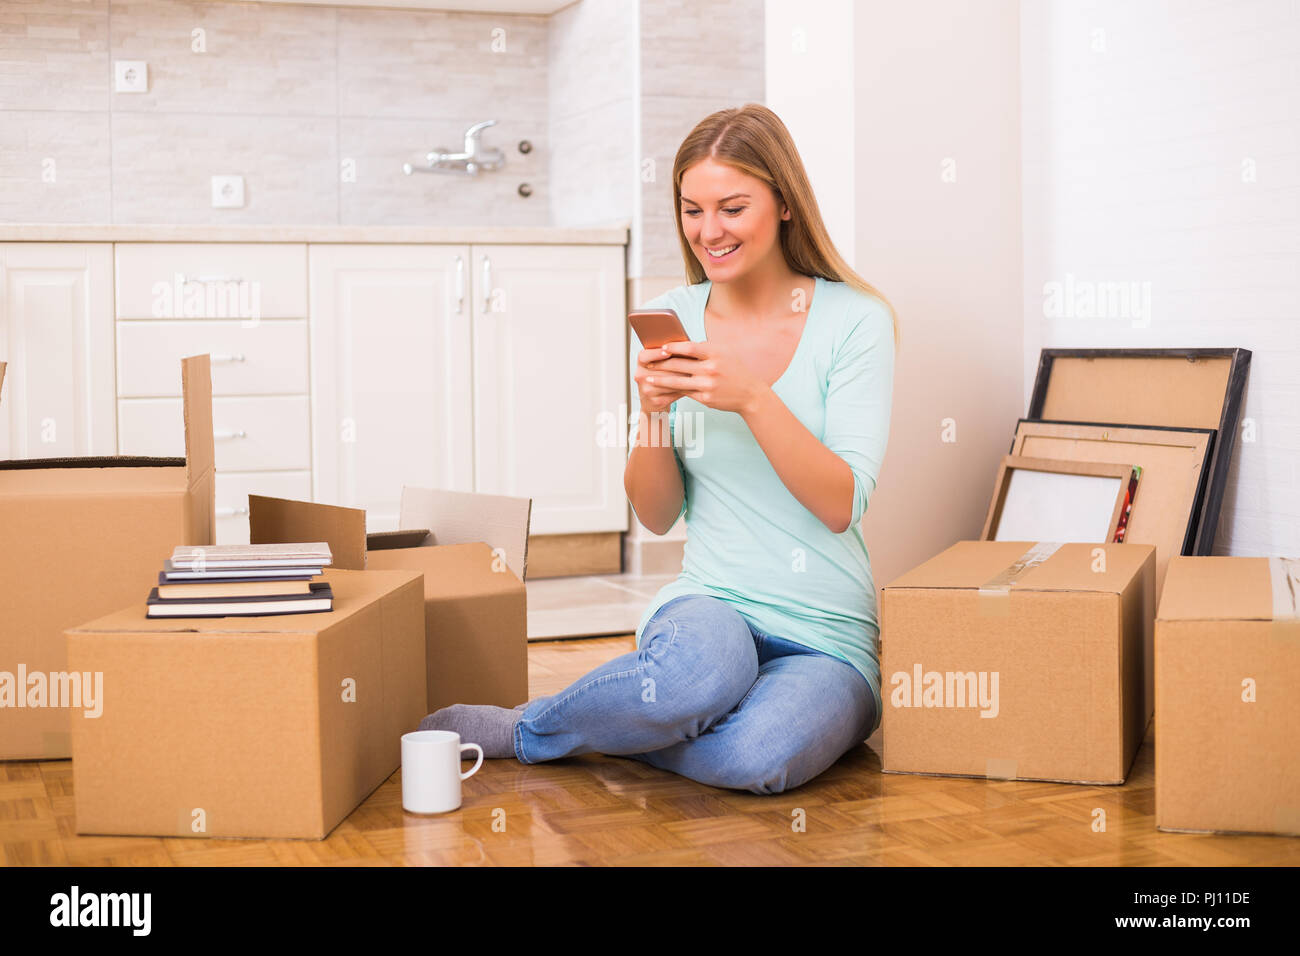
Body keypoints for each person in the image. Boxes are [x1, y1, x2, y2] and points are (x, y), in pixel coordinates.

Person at [419, 103, 899, 794]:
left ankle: (595, 730)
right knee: (694, 681)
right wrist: (652, 416)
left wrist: (753, 397)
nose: (709, 232)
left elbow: (841, 506)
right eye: (692, 210)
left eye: (732, 208)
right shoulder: (676, 315)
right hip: (713, 602)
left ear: (785, 204)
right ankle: (527, 731)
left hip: (827, 632)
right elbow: (656, 515)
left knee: (754, 759)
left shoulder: (855, 319)